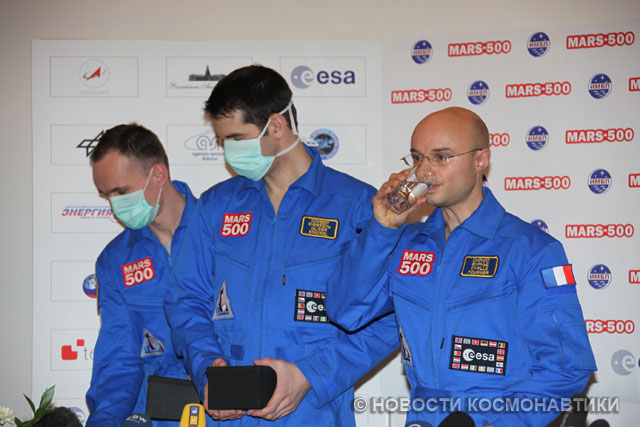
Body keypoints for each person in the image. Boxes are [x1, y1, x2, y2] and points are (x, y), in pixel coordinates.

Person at [326, 107, 597, 426]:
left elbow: (566, 366)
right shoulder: (404, 243)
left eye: (441, 157)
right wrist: (382, 228)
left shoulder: (531, 250)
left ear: (480, 159)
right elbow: (346, 312)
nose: (424, 171)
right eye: (418, 158)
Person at [163, 65, 399, 426]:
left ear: (276, 126)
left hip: (313, 416)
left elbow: (389, 319)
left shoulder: (357, 206)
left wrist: (310, 375)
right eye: (223, 141)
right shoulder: (215, 206)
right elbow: (185, 300)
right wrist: (207, 367)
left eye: (236, 138)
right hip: (227, 415)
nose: (228, 152)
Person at [86, 124, 199, 426]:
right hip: (154, 415)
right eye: (106, 195)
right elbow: (119, 360)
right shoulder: (115, 260)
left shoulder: (221, 234)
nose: (115, 206)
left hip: (226, 412)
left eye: (121, 192)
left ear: (159, 175)